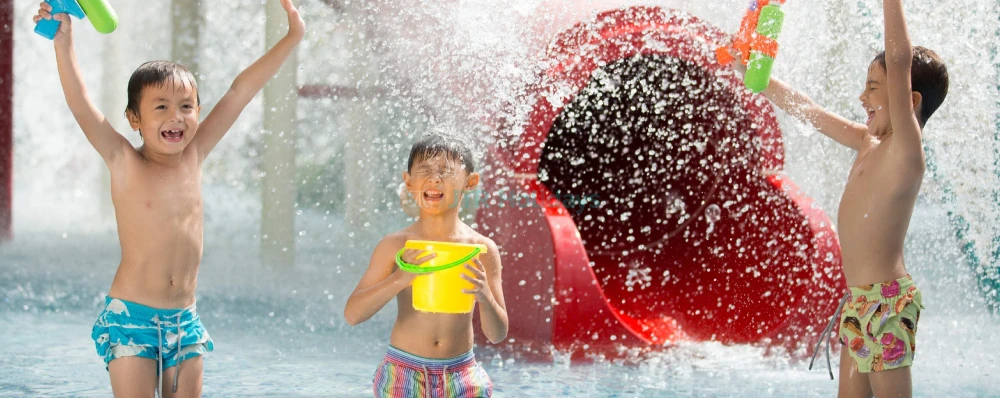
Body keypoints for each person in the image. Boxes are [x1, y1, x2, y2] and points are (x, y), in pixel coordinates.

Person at [32, 1, 305, 396]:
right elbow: (81, 104)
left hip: (184, 321)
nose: (176, 117)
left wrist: (292, 37)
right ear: (134, 119)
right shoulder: (125, 161)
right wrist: (63, 41)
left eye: (186, 107)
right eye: (161, 107)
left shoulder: (195, 155)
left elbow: (240, 90)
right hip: (132, 317)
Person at [726, 1, 947, 396]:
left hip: (886, 302)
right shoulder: (868, 141)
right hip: (858, 301)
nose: (863, 96)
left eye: (874, 89)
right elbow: (808, 110)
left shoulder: (906, 152)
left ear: (908, 101)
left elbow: (898, 60)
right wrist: (754, 75)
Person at [345, 134, 507, 397]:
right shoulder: (396, 245)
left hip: (462, 375)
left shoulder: (482, 249)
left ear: (470, 182)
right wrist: (399, 278)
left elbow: (498, 333)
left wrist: (485, 296)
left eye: (445, 170)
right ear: (409, 182)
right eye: (425, 170)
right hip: (403, 372)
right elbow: (353, 315)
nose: (434, 178)